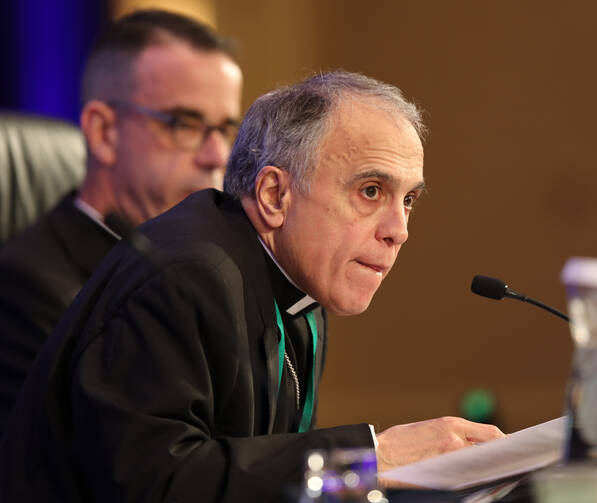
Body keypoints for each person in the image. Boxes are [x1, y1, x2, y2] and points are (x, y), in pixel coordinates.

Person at [0, 71, 503, 502]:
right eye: (371, 191)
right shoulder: (184, 278)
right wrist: (371, 455)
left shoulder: (300, 289)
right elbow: (155, 484)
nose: (399, 229)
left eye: (408, 199)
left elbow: (258, 472)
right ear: (274, 194)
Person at [0, 9, 243, 432]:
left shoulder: (218, 271)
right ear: (103, 132)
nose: (216, 156)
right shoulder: (26, 288)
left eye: (224, 129)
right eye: (184, 124)